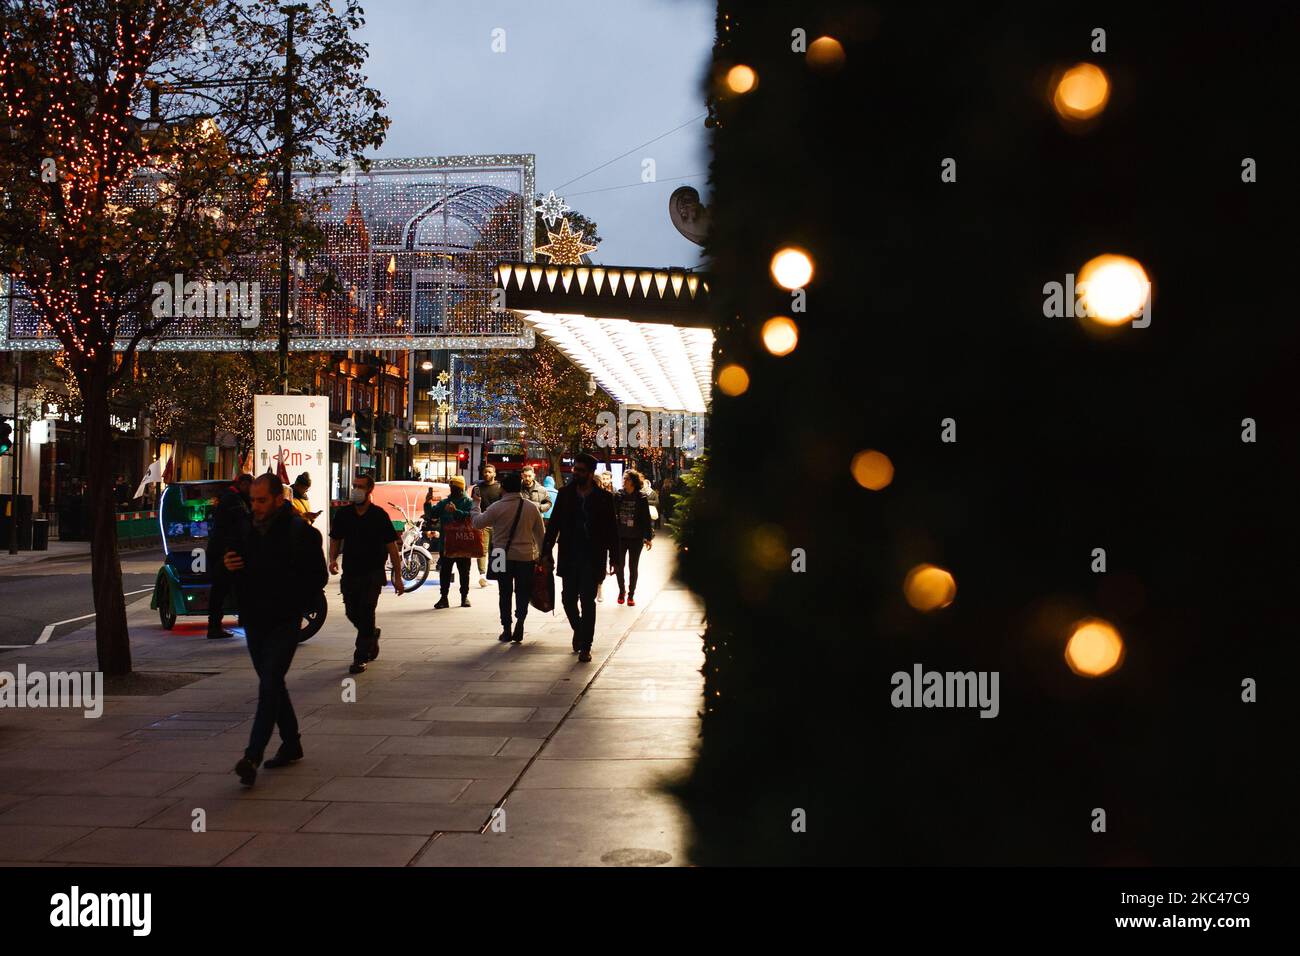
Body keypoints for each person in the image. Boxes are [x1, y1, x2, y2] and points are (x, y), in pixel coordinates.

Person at [222, 474, 327, 787]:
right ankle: (291, 743)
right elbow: (227, 563)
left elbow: (318, 577)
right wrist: (227, 565)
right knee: (273, 683)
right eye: (253, 500)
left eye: (262, 500)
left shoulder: (300, 534)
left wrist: (293, 597)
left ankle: (252, 755)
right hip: (254, 619)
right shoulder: (245, 529)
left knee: (269, 683)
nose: (255, 506)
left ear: (279, 499)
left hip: (284, 619)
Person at [541, 452, 618, 662]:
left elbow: (611, 530)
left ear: (591, 473)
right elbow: (554, 525)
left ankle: (586, 646)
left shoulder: (604, 498)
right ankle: (581, 631)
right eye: (575, 469)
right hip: (570, 554)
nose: (576, 473)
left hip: (593, 558)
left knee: (588, 601)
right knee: (567, 600)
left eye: (581, 471)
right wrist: (546, 551)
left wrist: (616, 560)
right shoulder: (565, 494)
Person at [330, 473, 405, 675]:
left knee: (367, 610)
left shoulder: (379, 515)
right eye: (354, 485)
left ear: (370, 490)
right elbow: (336, 538)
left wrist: (397, 577)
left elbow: (392, 547)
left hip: (373, 573)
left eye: (360, 486)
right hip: (351, 572)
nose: (356, 489)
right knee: (352, 612)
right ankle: (371, 635)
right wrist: (332, 560)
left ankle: (360, 656)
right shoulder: (343, 514)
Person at [473, 472, 545, 643]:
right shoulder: (531, 507)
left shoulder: (497, 507)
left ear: (503, 488)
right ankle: (520, 622)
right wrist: (543, 556)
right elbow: (541, 536)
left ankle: (506, 629)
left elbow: (477, 523)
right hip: (525, 555)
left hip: (499, 554)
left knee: (504, 593)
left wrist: (475, 505)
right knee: (522, 592)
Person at [207, 473, 253, 640]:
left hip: (225, 549)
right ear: (242, 484)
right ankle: (214, 627)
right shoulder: (232, 499)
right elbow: (243, 522)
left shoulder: (235, 497)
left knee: (234, 586)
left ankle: (241, 619)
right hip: (224, 551)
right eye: (249, 485)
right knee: (222, 588)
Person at [427, 475, 477, 609]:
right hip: (447, 543)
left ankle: (464, 597)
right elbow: (433, 514)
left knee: (464, 572)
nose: (452, 489)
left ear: (460, 488)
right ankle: (444, 597)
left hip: (463, 542)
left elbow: (471, 517)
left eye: (454, 487)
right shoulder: (444, 503)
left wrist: (456, 512)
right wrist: (427, 503)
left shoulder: (469, 502)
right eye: (451, 486)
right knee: (445, 572)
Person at [613, 469, 654, 606]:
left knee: (633, 566)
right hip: (620, 536)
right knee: (619, 566)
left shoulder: (641, 497)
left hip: (636, 537)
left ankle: (631, 594)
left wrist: (648, 537)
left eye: (627, 479)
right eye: (624, 479)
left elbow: (646, 519)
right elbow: (612, 516)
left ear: (634, 482)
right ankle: (621, 591)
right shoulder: (618, 496)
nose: (624, 481)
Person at [471, 463, 502, 587]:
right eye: (485, 472)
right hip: (483, 522)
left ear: (494, 473)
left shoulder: (500, 487)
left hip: (498, 523)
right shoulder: (477, 488)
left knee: (498, 548)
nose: (487, 474)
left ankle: (498, 574)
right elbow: (473, 504)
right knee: (482, 550)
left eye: (489, 472)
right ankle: (482, 575)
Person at [594, 471, 615, 603]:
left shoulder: (606, 497)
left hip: (600, 539)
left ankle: (599, 589)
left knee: (600, 567)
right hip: (588, 540)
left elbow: (611, 523)